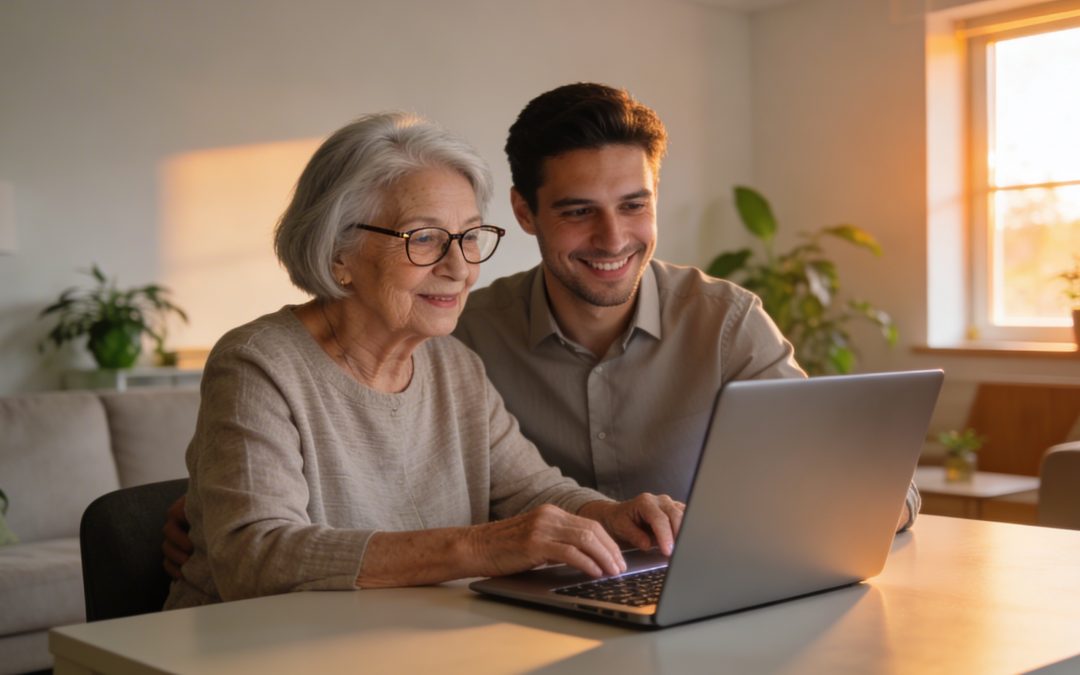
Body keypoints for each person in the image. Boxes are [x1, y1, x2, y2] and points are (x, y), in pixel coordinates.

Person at [163, 112, 683, 608]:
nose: (459, 268)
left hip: (409, 641)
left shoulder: (453, 365)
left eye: (470, 236)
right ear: (338, 254)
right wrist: (480, 548)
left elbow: (533, 492)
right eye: (425, 238)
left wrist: (615, 517)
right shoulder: (259, 364)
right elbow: (256, 555)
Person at [451, 82, 918, 529]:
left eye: (634, 206)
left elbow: (875, 486)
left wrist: (858, 502)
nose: (613, 239)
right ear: (524, 212)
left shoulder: (726, 323)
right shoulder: (465, 336)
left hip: (696, 594)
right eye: (578, 211)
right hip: (519, 600)